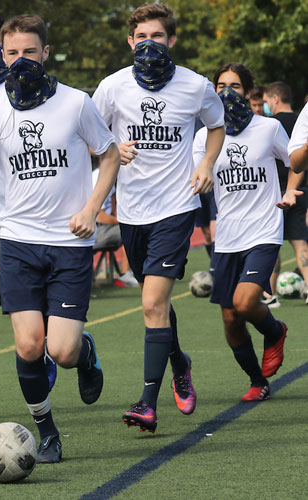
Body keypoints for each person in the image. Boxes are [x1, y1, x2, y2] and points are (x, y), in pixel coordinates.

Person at [0, 13, 119, 463]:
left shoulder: (76, 104)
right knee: (31, 345)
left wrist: (91, 209)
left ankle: (86, 352)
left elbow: (110, 156)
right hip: (16, 240)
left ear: (46, 53)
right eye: (11, 52)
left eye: (29, 52)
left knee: (63, 350)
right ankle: (47, 430)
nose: (19, 60)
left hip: (70, 242)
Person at [92, 3, 225, 433]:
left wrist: (205, 163)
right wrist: (113, 148)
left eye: (158, 36)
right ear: (130, 42)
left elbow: (217, 126)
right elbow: (91, 136)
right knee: (158, 304)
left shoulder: (196, 85)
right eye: (142, 37)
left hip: (177, 208)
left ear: (172, 40)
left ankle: (147, 402)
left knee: (151, 302)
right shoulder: (112, 87)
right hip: (132, 213)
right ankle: (179, 361)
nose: (150, 44)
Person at [194, 62, 294, 402]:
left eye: (234, 86)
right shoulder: (204, 135)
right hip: (227, 236)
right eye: (220, 85)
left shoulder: (268, 128)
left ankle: (275, 330)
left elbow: (296, 161)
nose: (226, 92)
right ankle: (257, 380)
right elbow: (196, 177)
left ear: (249, 91)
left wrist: (293, 189)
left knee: (246, 300)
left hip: (264, 229)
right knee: (230, 318)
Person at [262, 81, 308, 306]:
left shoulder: (269, 125)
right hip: (302, 188)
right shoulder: (301, 118)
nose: (265, 105)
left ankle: (269, 295)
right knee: (300, 243)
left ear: (275, 99)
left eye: (266, 100)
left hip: (278, 191)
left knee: (273, 243)